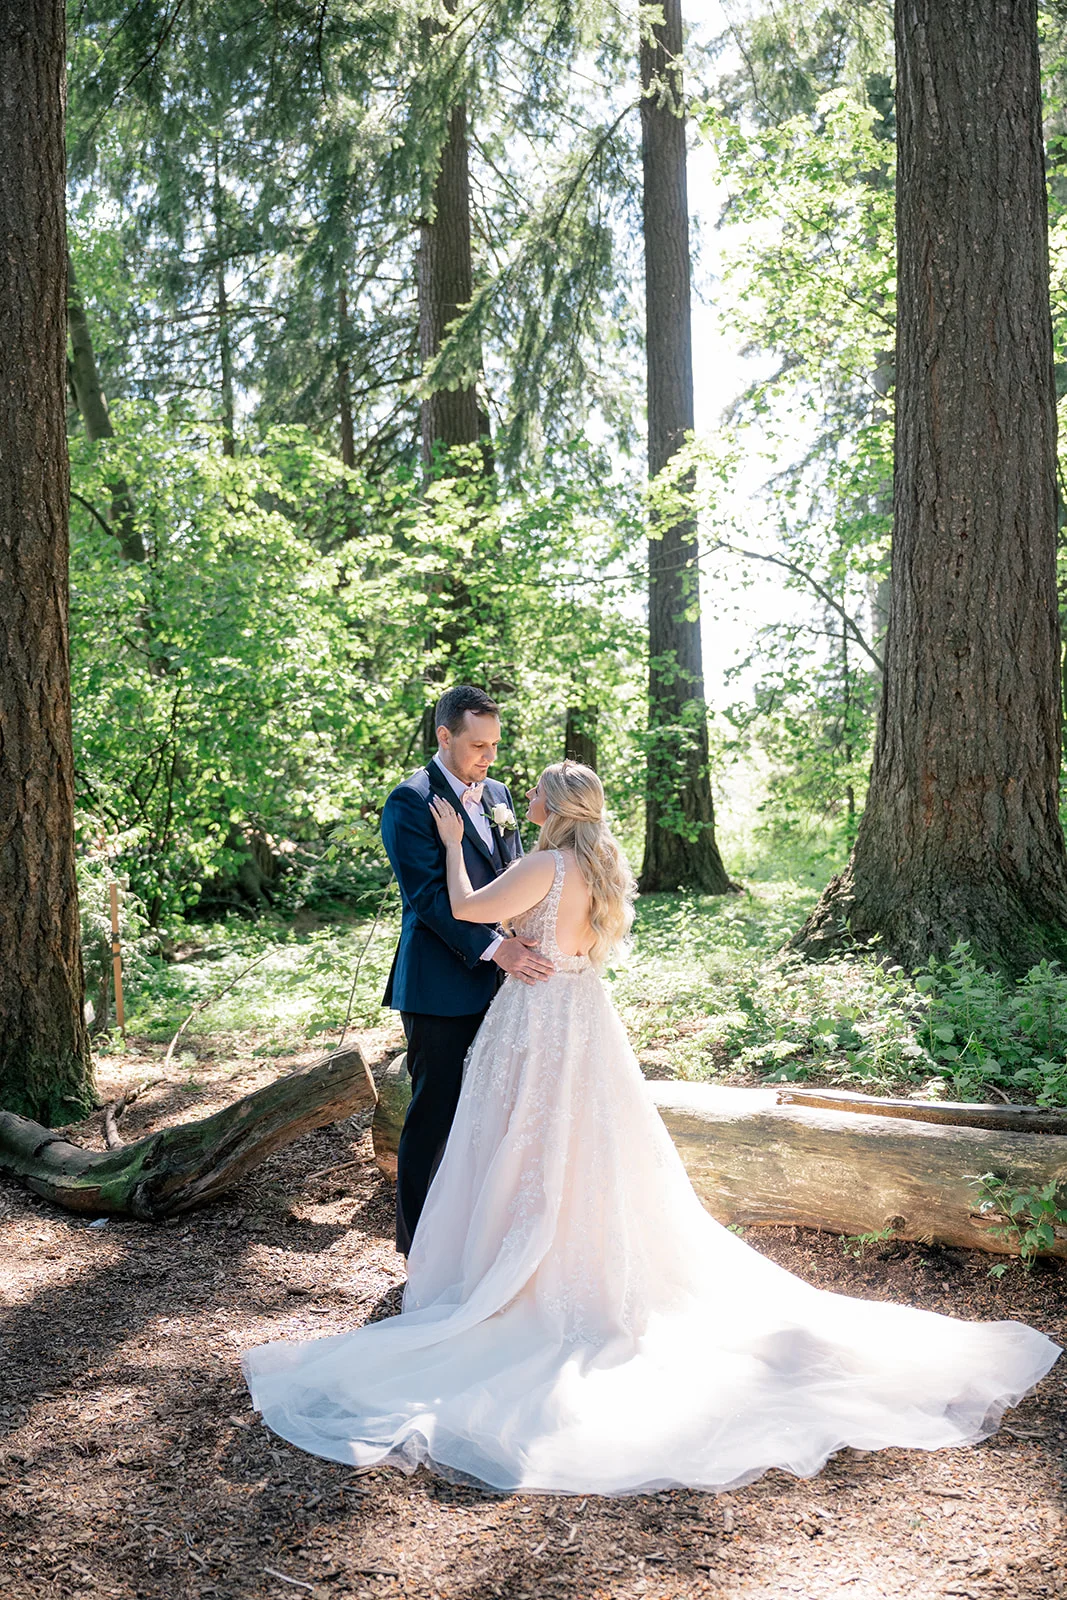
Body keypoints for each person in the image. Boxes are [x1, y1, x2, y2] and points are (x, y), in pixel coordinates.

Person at [242, 761, 1061, 1496]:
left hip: (531, 1021)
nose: (519, 795)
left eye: (534, 791)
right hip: (583, 1019)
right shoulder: (600, 867)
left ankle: (513, 1270)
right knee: (588, 1147)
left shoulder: (541, 864)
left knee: (522, 1143)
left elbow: (461, 905)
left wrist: (454, 842)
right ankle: (573, 1261)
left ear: (556, 808)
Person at [377, 684, 552, 1257]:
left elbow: (510, 873)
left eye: (495, 745)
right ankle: (417, 1245)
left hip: (504, 983)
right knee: (436, 1107)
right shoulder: (410, 801)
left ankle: (473, 1241)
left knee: (493, 1105)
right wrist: (494, 948)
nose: (489, 758)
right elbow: (427, 899)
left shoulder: (498, 793)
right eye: (478, 745)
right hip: (439, 985)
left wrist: (518, 930)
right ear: (444, 736)